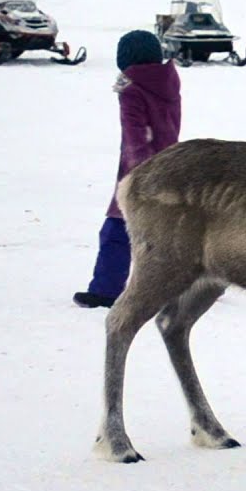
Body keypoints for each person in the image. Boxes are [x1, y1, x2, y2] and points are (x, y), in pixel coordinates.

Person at [73, 30, 182, 308]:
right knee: (169, 234)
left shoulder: (132, 90)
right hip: (172, 166)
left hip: (141, 172)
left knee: (116, 231)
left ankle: (106, 291)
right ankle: (193, 286)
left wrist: (138, 178)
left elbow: (137, 136)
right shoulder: (167, 83)